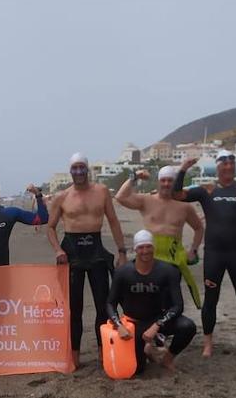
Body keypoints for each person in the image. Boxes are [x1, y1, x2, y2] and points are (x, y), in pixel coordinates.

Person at [172, 150, 236, 356]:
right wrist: (182, 170)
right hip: (214, 254)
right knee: (211, 300)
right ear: (218, 167)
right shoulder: (207, 190)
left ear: (234, 167)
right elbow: (176, 195)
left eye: (231, 164)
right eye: (224, 165)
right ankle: (208, 343)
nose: (228, 168)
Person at [46, 153, 128, 367]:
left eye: (82, 167)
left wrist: (122, 252)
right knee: (74, 308)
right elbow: (50, 227)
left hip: (96, 251)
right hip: (71, 253)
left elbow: (113, 221)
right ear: (70, 170)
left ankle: (103, 352)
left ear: (87, 169)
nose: (79, 172)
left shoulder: (101, 192)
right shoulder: (62, 197)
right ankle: (74, 355)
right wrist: (57, 250)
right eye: (75, 168)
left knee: (103, 305)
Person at [105, 230, 197, 373]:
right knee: (138, 370)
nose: (145, 251)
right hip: (133, 324)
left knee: (187, 326)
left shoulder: (168, 271)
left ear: (153, 248)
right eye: (141, 247)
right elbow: (110, 303)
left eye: (148, 246)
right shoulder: (123, 272)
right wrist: (119, 326)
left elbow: (178, 305)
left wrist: (157, 325)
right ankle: (147, 349)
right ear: (135, 249)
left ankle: (167, 358)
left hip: (157, 321)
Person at [115, 166, 204, 310]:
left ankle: (168, 328)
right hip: (148, 257)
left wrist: (193, 249)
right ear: (158, 182)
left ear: (175, 183)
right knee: (149, 298)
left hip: (173, 259)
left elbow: (199, 228)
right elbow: (120, 197)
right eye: (163, 180)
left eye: (170, 180)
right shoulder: (146, 200)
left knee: (171, 300)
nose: (166, 184)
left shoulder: (184, 207)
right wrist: (135, 176)